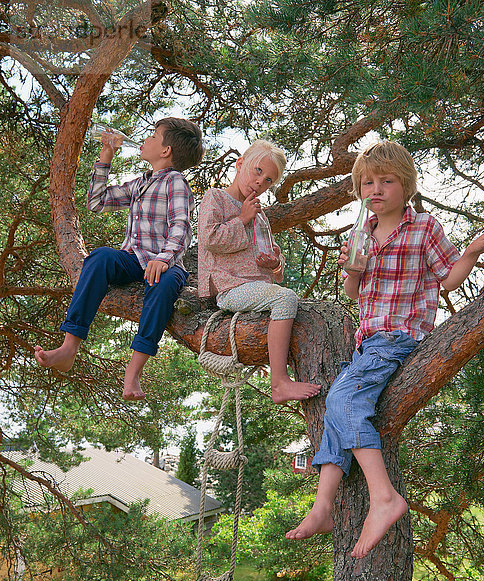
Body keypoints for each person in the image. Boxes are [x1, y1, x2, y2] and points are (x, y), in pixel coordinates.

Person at [285, 140, 484, 558]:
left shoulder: (424, 227)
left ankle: (384, 497)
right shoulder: (361, 233)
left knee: (343, 399)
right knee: (339, 410)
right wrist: (353, 272)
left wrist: (476, 249)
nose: (375, 190)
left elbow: (447, 279)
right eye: (367, 183)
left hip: (399, 336)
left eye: (386, 181)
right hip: (368, 339)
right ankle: (324, 505)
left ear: (405, 186)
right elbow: (355, 292)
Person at [35, 117, 204, 400]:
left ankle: (134, 371)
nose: (146, 139)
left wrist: (163, 258)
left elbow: (182, 226)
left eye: (153, 135)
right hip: (133, 259)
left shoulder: (175, 182)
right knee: (100, 258)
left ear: (166, 151)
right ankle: (69, 346)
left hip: (167, 264)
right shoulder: (140, 183)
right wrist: (106, 156)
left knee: (162, 290)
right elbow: (96, 203)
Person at [198, 139, 321, 404]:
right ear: (240, 163)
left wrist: (275, 264)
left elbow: (275, 267)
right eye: (257, 172)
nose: (260, 183)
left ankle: (280, 371)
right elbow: (210, 239)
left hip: (256, 289)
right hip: (231, 289)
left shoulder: (260, 215)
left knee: (284, 295)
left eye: (268, 181)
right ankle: (279, 383)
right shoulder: (215, 197)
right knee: (286, 298)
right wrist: (241, 219)